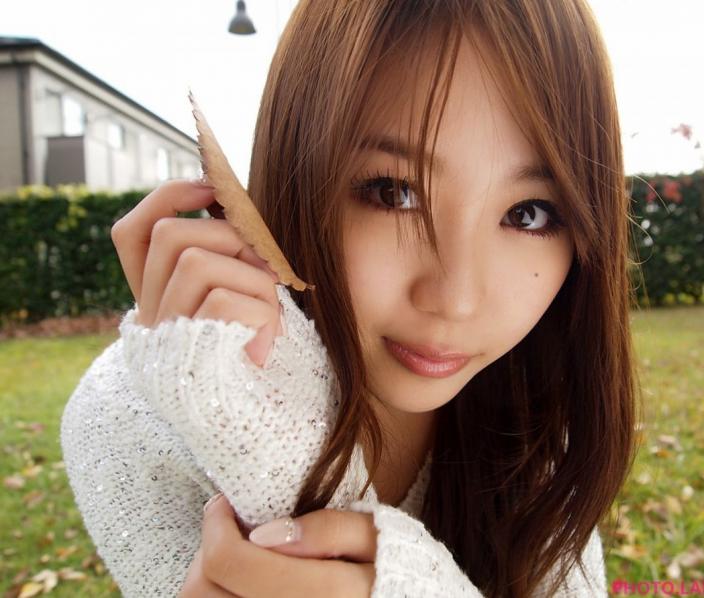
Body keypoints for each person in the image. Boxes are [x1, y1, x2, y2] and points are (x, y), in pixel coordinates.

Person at [61, 0, 640, 596]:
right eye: (393, 192)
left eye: (528, 214)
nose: (456, 300)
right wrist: (238, 410)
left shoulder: (533, 416)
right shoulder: (131, 420)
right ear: (295, 167)